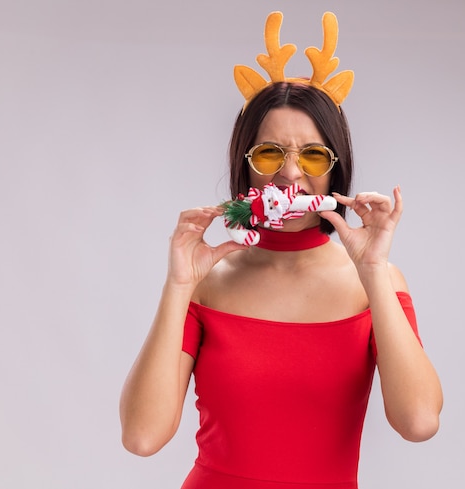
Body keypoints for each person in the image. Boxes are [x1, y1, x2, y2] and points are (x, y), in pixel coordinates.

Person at [120, 11, 442, 489]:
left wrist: (373, 270)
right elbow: (142, 437)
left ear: (337, 170)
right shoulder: (208, 281)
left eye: (312, 156)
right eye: (269, 154)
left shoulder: (377, 284)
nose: (290, 175)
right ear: (244, 166)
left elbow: (418, 423)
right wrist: (178, 284)